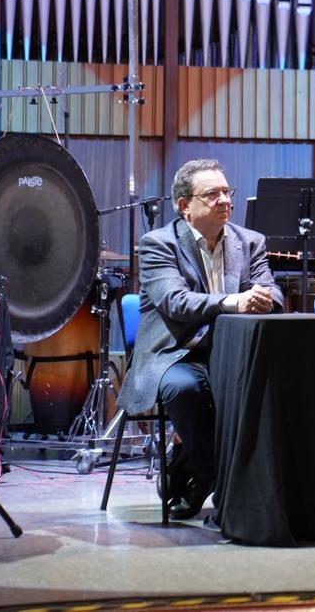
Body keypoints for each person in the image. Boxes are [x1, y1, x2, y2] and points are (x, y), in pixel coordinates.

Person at [116, 158, 283, 521]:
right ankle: (209, 475)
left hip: (232, 355)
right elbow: (175, 302)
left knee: (261, 389)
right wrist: (234, 301)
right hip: (174, 353)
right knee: (186, 390)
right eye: (212, 194)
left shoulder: (250, 241)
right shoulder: (159, 244)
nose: (225, 200)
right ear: (184, 206)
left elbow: (274, 293)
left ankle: (183, 464)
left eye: (227, 191)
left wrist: (264, 299)